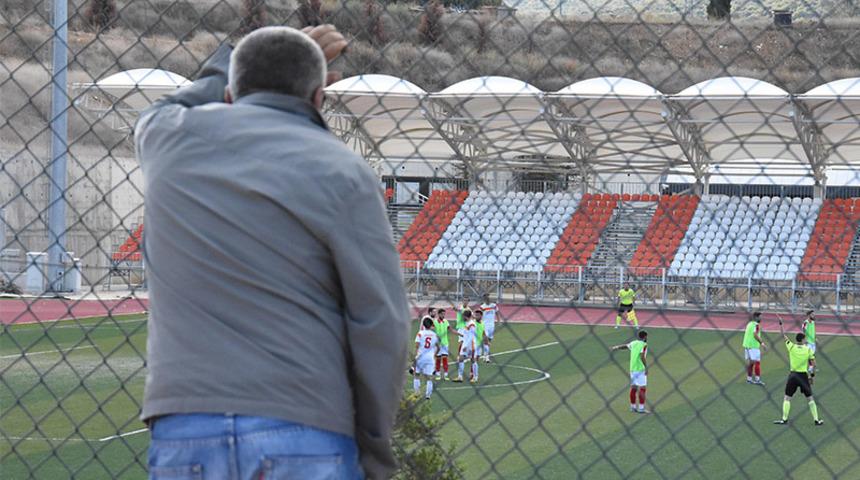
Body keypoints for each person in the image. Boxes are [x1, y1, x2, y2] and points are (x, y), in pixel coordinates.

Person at [137, 26, 411, 480]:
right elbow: (381, 320)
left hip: (186, 425)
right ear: (320, 98)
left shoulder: (167, 138)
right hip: (305, 422)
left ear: (228, 91)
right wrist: (374, 447)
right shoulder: (343, 169)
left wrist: (229, 57)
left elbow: (169, 105)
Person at [773, 316, 823, 426]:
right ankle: (816, 420)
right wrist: (812, 376)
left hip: (793, 376)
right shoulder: (808, 349)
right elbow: (814, 364)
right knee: (810, 398)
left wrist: (781, 324)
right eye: (805, 339)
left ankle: (784, 419)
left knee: (787, 398)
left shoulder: (791, 347)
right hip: (803, 376)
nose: (806, 340)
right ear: (803, 340)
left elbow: (783, 336)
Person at [610, 330, 649, 414]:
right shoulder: (644, 345)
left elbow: (625, 346)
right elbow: (642, 356)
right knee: (643, 388)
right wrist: (646, 367)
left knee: (634, 388)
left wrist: (616, 347)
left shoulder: (634, 343)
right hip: (640, 368)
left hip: (632, 368)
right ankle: (641, 408)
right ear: (645, 337)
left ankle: (633, 407)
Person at [414, 317, 440, 400]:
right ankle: (428, 395)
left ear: (423, 325)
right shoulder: (434, 334)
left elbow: (417, 346)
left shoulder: (420, 333)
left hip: (420, 356)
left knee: (417, 375)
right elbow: (438, 347)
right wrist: (434, 354)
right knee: (429, 377)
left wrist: (416, 356)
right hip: (430, 358)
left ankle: (417, 393)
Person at [743, 312, 768, 386]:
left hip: (747, 346)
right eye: (760, 317)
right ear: (756, 317)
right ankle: (757, 379)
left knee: (751, 363)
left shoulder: (749, 324)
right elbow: (755, 335)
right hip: (753, 347)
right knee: (757, 363)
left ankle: (749, 379)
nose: (761, 318)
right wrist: (762, 343)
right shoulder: (756, 325)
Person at [454, 310, 478, 383]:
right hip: (465, 343)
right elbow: (465, 334)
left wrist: (466, 346)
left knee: (473, 360)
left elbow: (471, 336)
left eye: (463, 316)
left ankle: (475, 377)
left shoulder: (472, 324)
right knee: (461, 358)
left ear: (467, 316)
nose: (462, 318)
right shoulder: (466, 323)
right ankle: (460, 377)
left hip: (471, 345)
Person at [434, 308, 458, 381]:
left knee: (445, 358)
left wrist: (459, 333)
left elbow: (451, 330)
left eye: (444, 314)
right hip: (437, 344)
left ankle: (445, 374)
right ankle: (437, 373)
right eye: (442, 314)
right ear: (439, 314)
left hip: (445, 343)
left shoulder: (446, 321)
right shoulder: (435, 322)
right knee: (438, 359)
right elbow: (432, 331)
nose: (443, 315)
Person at [480, 293, 499, 362]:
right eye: (486, 297)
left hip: (492, 326)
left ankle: (485, 355)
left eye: (488, 297)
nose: (488, 299)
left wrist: (499, 321)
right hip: (485, 326)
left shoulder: (494, 305)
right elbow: (478, 315)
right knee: (486, 340)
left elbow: (497, 312)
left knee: (489, 340)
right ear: (484, 299)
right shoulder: (482, 307)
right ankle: (487, 357)